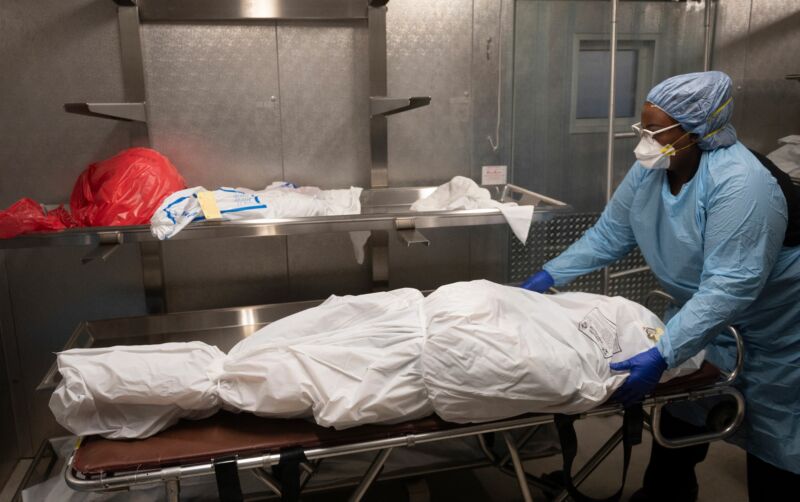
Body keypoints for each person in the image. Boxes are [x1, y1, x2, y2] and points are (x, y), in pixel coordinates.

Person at [521, 71, 800, 501]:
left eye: (654, 129)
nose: (644, 138)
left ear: (695, 131)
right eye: (643, 126)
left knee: (775, 438)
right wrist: (548, 276)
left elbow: (730, 287)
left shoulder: (742, 184)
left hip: (774, 326)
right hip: (702, 313)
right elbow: (609, 235)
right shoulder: (652, 170)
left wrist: (664, 352)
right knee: (681, 413)